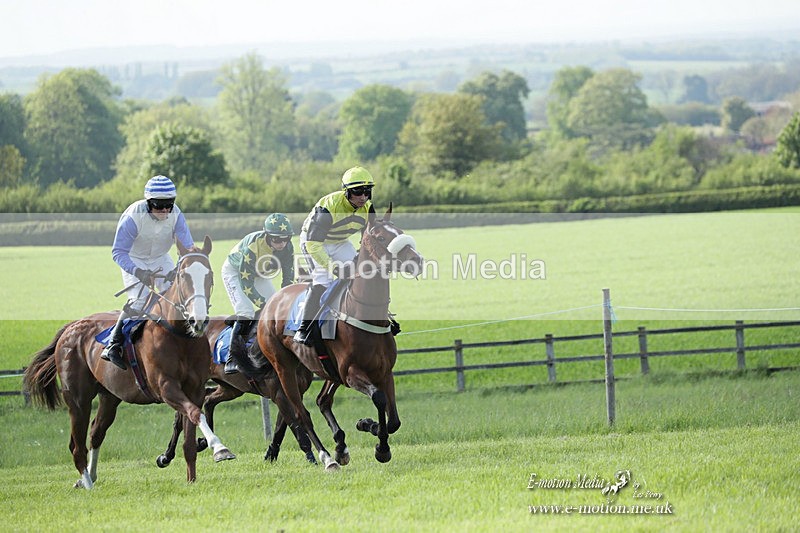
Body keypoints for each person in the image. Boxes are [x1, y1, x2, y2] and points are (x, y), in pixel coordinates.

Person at [101, 175, 195, 370]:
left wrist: (177, 269)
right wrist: (138, 272)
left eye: (169, 205)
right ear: (148, 202)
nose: (164, 210)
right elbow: (118, 252)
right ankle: (113, 343)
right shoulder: (133, 217)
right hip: (134, 259)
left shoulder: (176, 214)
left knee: (180, 292)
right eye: (159, 205)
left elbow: (188, 248)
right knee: (140, 300)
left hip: (161, 258)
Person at [294, 166, 376, 345]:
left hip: (340, 242)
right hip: (314, 242)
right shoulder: (328, 208)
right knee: (323, 280)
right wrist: (333, 267)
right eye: (358, 192)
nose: (363, 197)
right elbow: (313, 245)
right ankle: (304, 328)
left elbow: (368, 238)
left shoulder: (368, 207)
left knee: (359, 273)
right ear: (346, 192)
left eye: (367, 192)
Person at [221, 213, 295, 374]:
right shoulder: (253, 247)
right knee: (246, 311)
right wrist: (264, 305)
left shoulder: (288, 247)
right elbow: (246, 283)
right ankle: (231, 358)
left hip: (259, 274)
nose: (282, 243)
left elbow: (288, 278)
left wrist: (286, 299)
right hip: (236, 273)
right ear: (267, 236)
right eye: (276, 239)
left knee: (279, 309)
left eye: (286, 238)